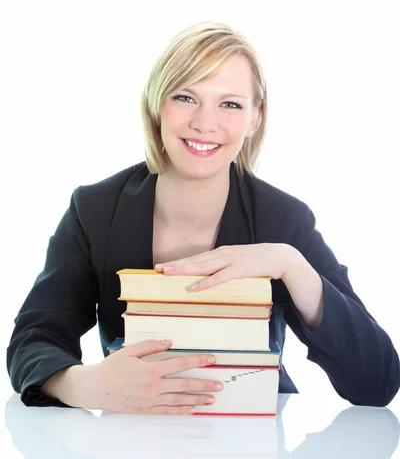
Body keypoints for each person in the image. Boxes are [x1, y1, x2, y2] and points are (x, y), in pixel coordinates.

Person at [7, 21, 400, 414]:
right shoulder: (93, 209)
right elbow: (33, 339)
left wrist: (291, 265)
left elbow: (378, 381)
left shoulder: (284, 220)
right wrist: (84, 385)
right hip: (130, 436)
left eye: (230, 103)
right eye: (185, 97)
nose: (204, 123)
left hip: (257, 434)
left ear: (254, 119)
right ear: (156, 106)